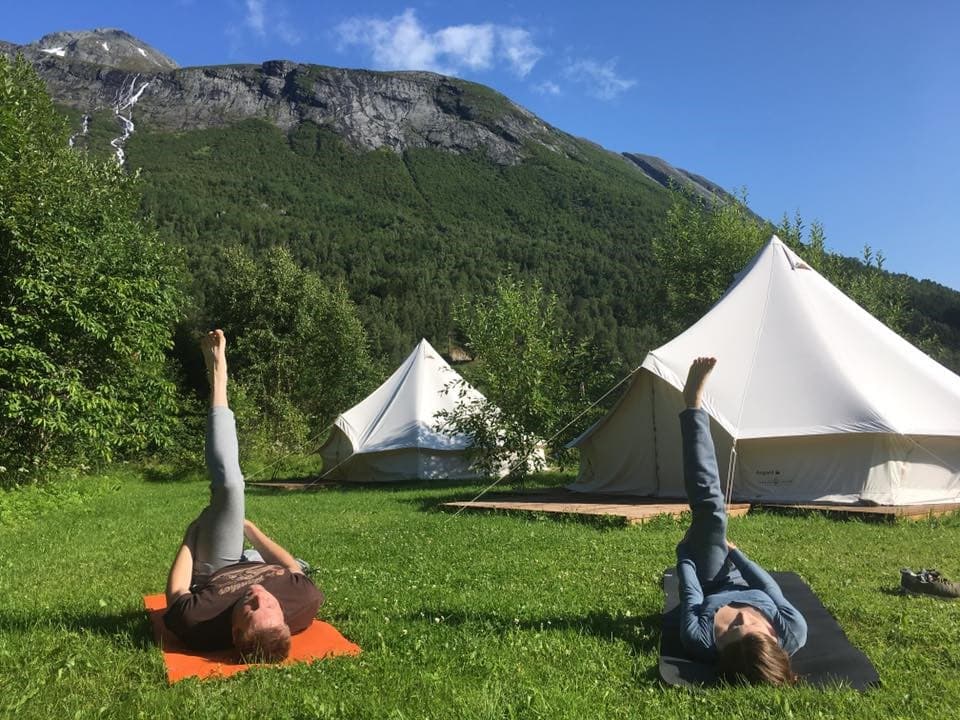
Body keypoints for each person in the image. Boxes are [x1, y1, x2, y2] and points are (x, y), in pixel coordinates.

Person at [163, 329, 324, 661]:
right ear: (284, 616)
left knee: (230, 487)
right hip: (249, 555)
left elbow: (177, 592)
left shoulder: (198, 623)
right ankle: (218, 377)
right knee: (238, 503)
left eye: (251, 607)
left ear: (235, 631)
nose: (259, 594)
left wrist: (190, 538)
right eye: (270, 604)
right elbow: (292, 567)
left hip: (214, 567)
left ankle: (218, 377)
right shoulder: (304, 601)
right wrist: (250, 529)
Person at [675, 357, 807, 685]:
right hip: (733, 567)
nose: (743, 617)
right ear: (776, 642)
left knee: (712, 513)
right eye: (756, 626)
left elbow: (691, 598)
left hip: (708, 576)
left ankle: (692, 405)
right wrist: (735, 554)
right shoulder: (794, 630)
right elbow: (768, 588)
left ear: (723, 649)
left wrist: (685, 557)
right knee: (715, 525)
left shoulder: (700, 640)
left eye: (733, 629)